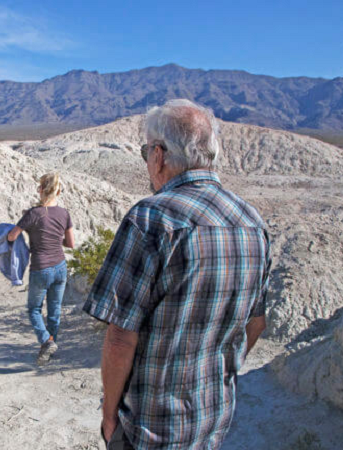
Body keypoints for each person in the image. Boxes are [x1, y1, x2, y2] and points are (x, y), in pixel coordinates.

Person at [82, 99, 271, 449]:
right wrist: (221, 369)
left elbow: (121, 337)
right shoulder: (252, 221)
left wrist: (109, 417)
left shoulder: (151, 218)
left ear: (159, 154)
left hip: (150, 428)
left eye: (145, 153)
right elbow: (255, 323)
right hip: (213, 418)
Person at [7, 173, 75, 365]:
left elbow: (12, 236)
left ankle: (46, 341)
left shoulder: (33, 213)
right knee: (54, 311)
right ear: (58, 191)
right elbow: (70, 243)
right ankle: (51, 349)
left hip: (41, 267)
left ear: (40, 189)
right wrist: (54, 238)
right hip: (60, 267)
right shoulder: (64, 213)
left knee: (34, 309)